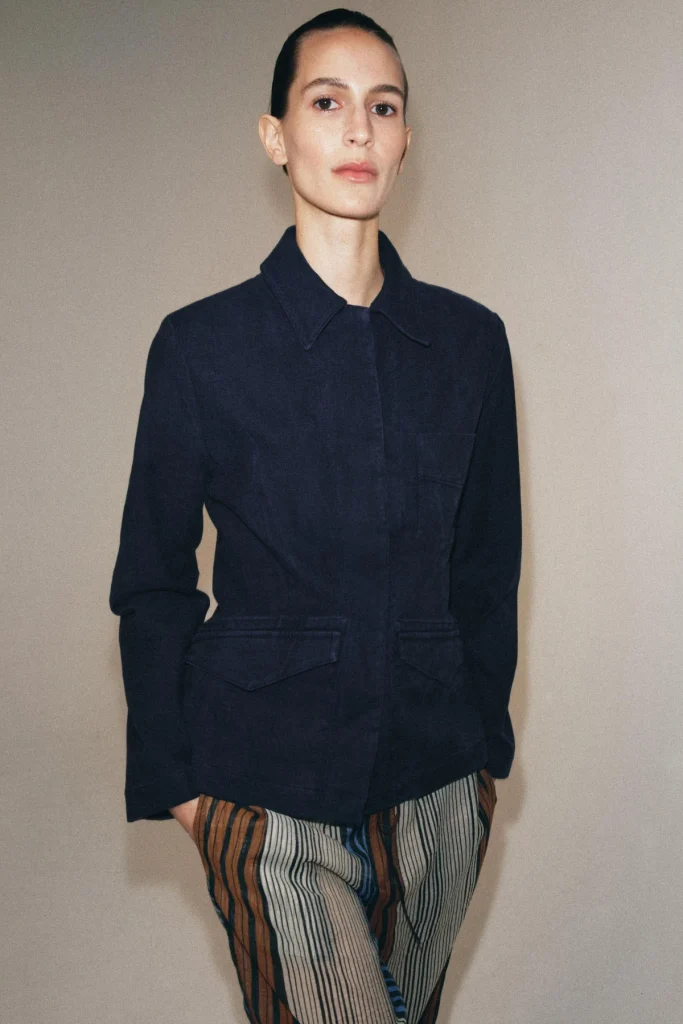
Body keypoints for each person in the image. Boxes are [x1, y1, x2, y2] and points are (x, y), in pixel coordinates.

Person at [109, 8, 522, 1023]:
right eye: (326, 101)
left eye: (382, 107)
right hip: (263, 788)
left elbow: (485, 565)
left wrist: (482, 758)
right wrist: (183, 788)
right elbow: (154, 579)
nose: (356, 129)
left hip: (437, 790)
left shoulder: (469, 343)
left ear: (405, 138)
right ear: (275, 135)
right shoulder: (201, 346)